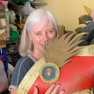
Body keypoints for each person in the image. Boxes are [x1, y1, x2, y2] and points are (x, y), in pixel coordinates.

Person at [9, 8, 64, 94]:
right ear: (29, 36)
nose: (45, 38)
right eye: (38, 33)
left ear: (56, 33)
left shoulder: (62, 59)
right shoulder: (24, 65)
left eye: (50, 31)